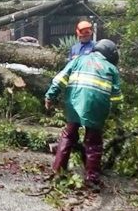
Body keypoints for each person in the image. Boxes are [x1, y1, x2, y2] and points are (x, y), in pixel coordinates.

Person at [45, 39, 122, 189]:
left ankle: (58, 171)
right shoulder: (112, 68)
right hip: (97, 108)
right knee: (93, 142)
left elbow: (60, 78)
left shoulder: (79, 59)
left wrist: (50, 96)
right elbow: (117, 96)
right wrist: (115, 111)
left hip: (74, 104)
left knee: (68, 135)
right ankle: (91, 179)